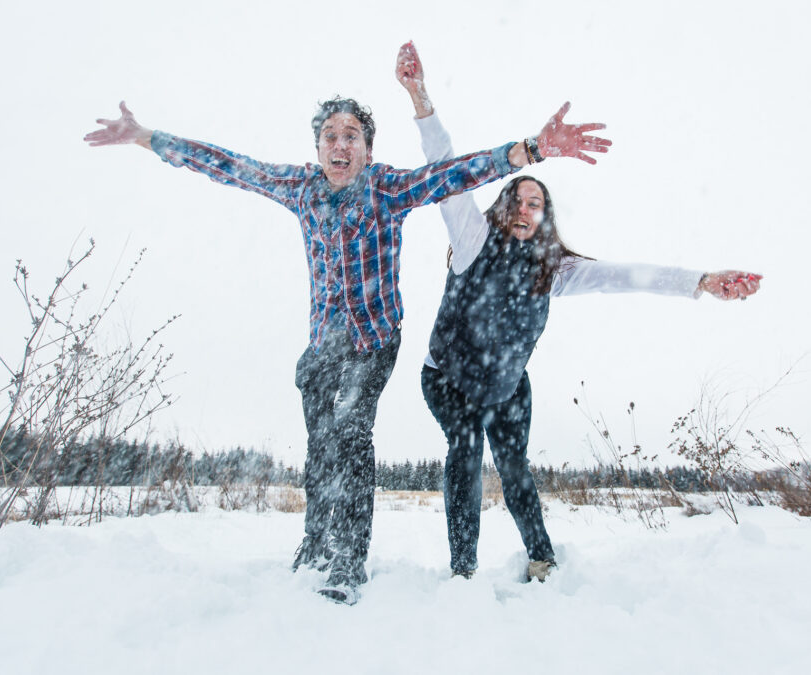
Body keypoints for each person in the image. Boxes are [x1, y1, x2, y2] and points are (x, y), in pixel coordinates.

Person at [84, 94, 610, 603]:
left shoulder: (387, 189)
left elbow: (455, 173)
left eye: (351, 136)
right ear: (317, 149)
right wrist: (146, 138)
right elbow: (229, 165)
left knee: (351, 429)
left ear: (368, 149)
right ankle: (315, 540)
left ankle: (348, 559)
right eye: (330, 136)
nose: (340, 145)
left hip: (374, 339)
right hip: (323, 344)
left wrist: (532, 149)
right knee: (320, 445)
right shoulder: (301, 187)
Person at [395, 42, 762, 581]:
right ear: (501, 209)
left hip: (506, 385)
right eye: (516, 200)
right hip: (448, 379)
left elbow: (623, 276)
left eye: (535, 204)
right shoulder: (472, 239)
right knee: (467, 446)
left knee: (516, 467)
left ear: (545, 218)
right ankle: (463, 573)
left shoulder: (554, 272)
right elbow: (444, 167)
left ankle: (542, 559)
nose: (524, 209)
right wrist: (419, 96)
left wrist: (701, 282)